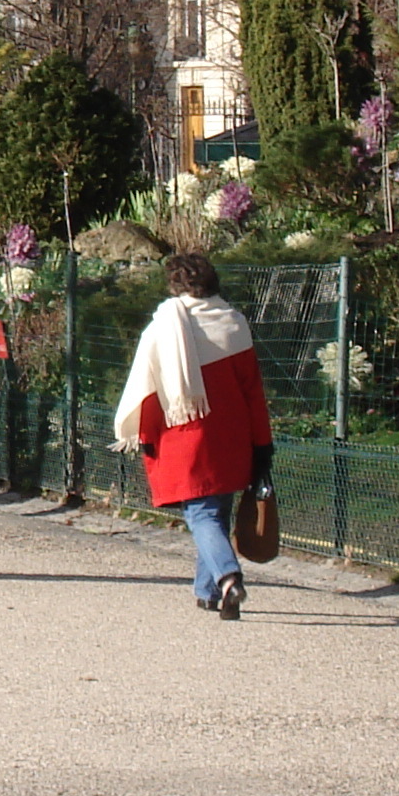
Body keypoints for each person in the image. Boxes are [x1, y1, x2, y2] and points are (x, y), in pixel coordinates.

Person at [116, 251, 277, 618]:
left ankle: (227, 577)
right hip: (233, 436)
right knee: (215, 510)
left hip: (185, 435)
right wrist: (262, 442)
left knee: (201, 515)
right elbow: (253, 390)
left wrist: (145, 436)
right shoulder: (235, 323)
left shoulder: (162, 328)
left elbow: (147, 389)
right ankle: (207, 592)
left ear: (175, 284)